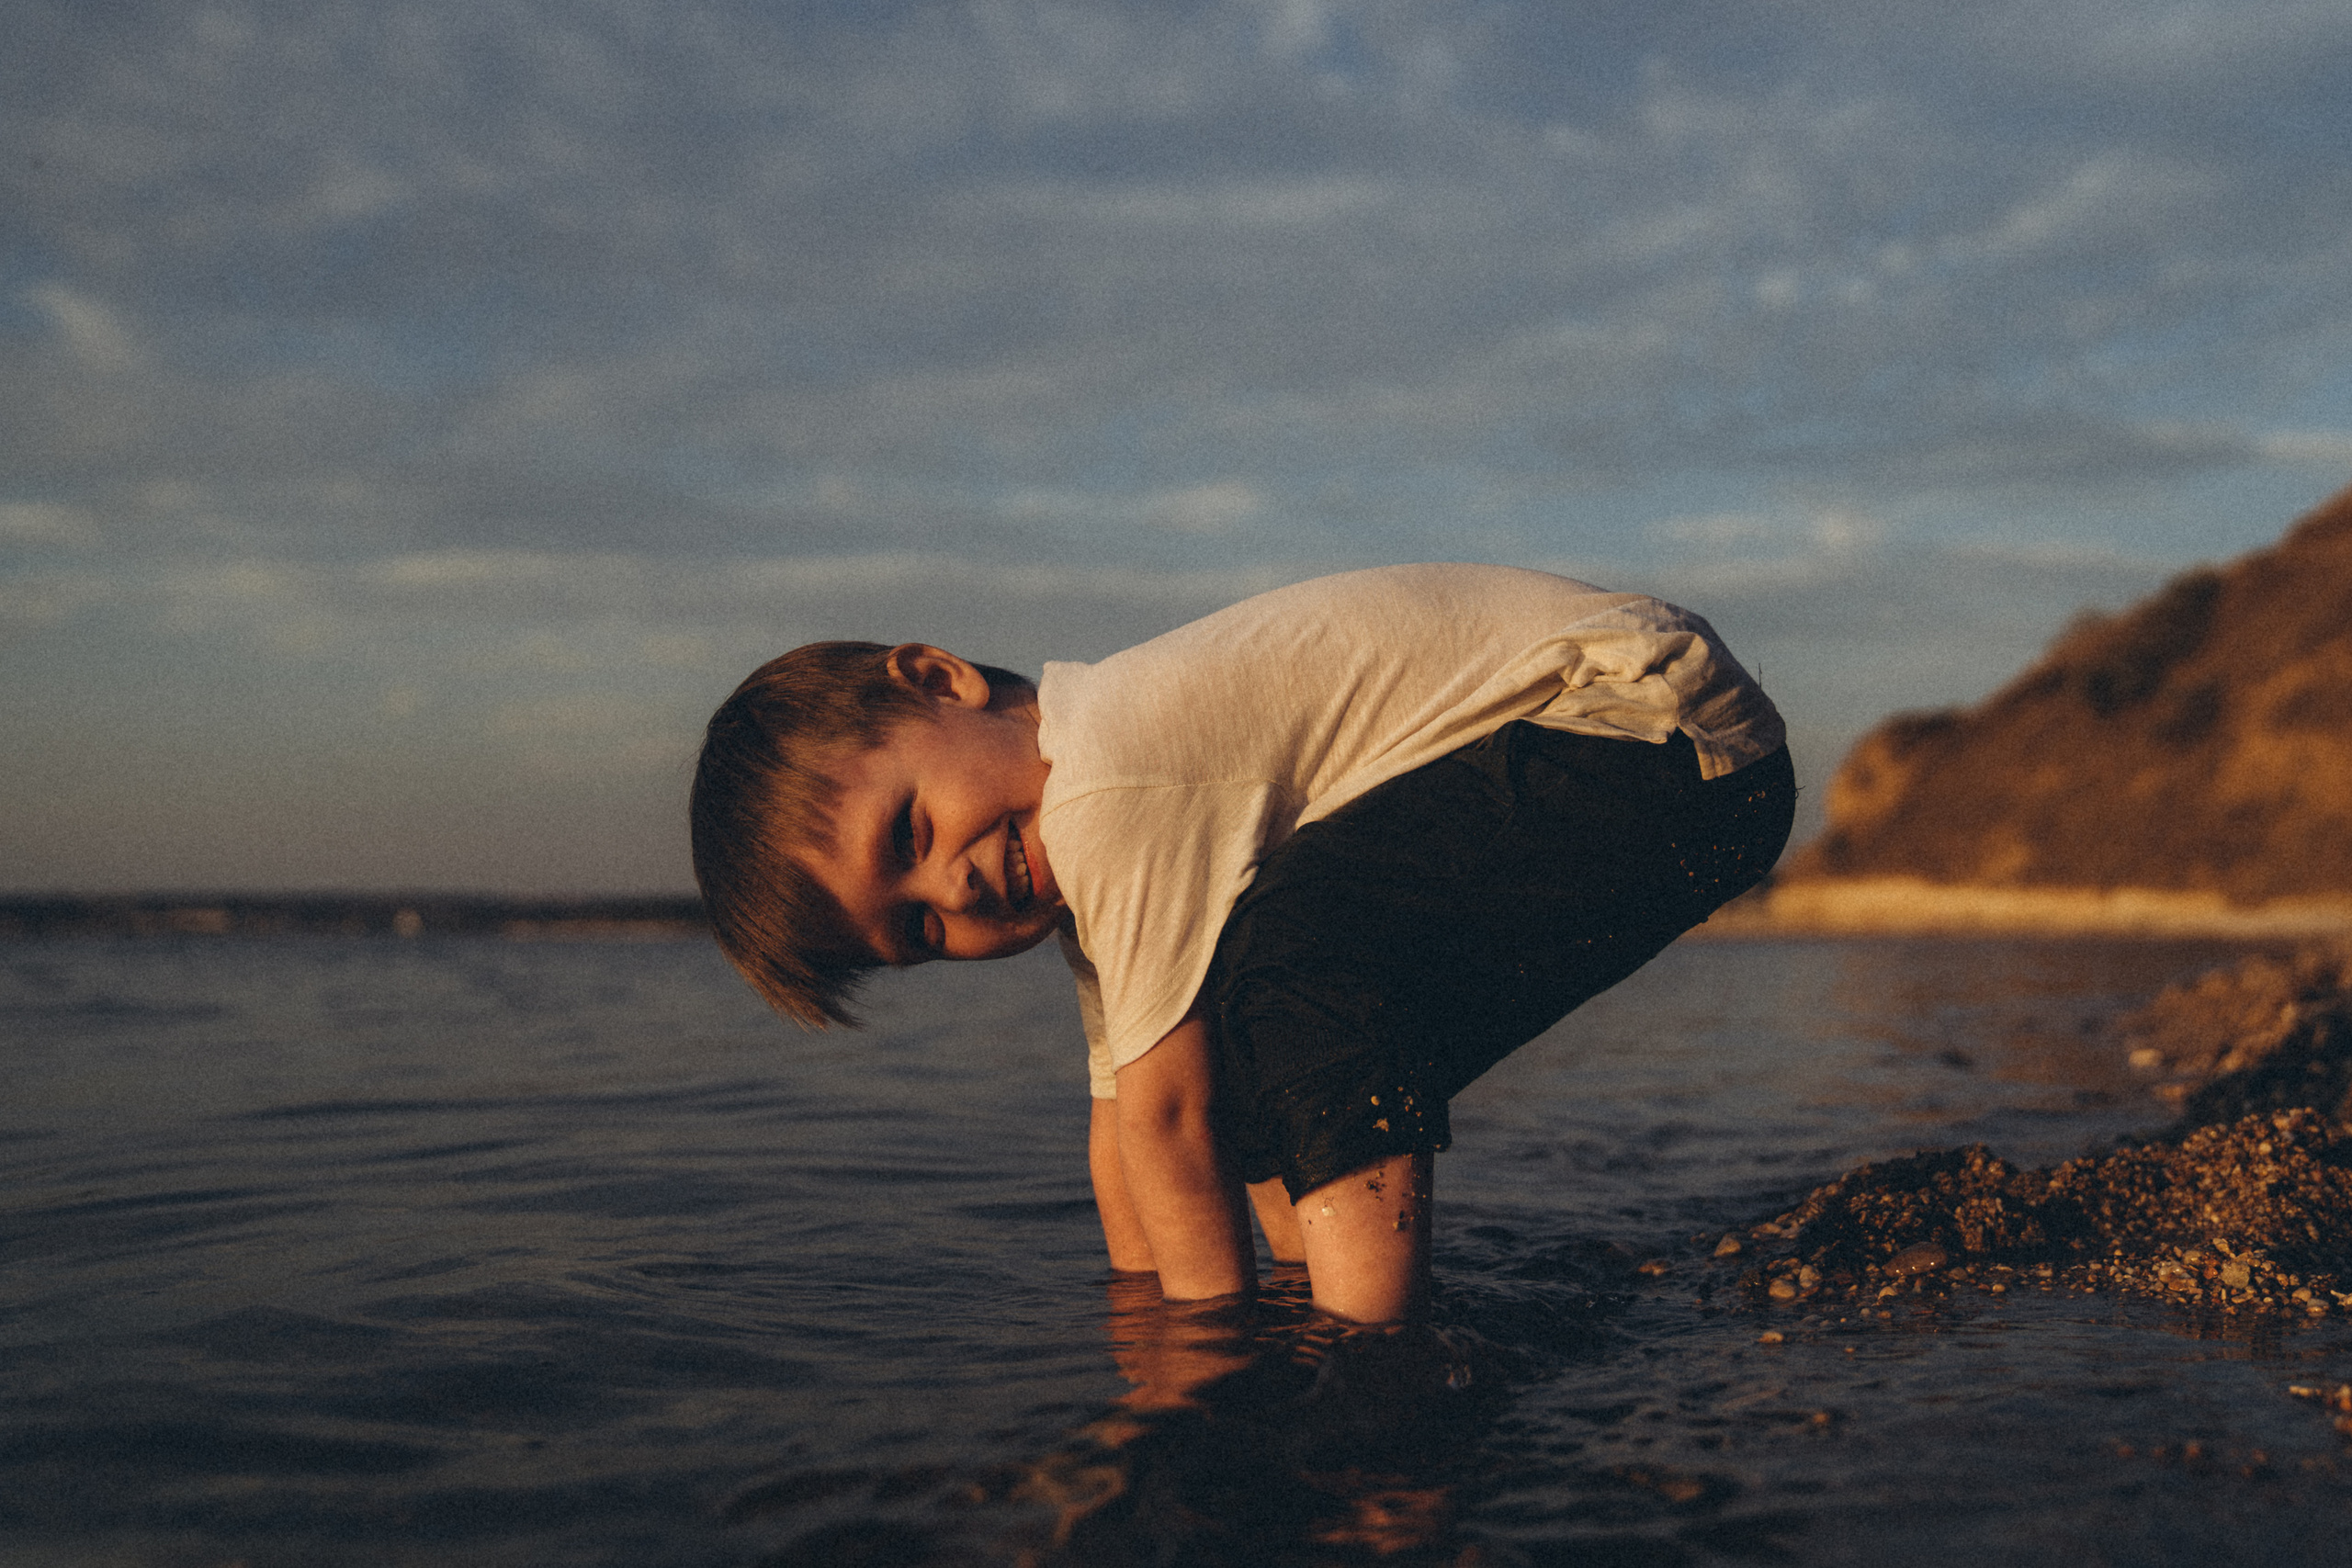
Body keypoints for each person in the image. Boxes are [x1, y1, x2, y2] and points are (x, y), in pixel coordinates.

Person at [690, 565, 1792, 1324]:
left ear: (940, 682)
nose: (958, 888)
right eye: (919, 928)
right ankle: (1320, 1303)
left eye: (911, 831)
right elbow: (1125, 1125)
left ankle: (1370, 1360)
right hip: (1676, 772)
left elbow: (1165, 1129)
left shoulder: (1108, 777)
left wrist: (1192, 1377)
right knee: (1241, 1026)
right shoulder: (1100, 843)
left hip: (1652, 733)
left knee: (1297, 963)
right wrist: (1142, 1312)